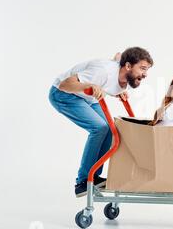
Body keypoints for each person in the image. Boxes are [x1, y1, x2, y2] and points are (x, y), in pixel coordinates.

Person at [49, 47, 154, 197]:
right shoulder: (103, 71)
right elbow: (64, 85)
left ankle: (94, 176)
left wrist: (118, 90)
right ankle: (83, 181)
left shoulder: (122, 72)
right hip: (64, 94)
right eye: (142, 68)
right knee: (99, 128)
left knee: (112, 131)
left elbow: (118, 56)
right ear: (128, 66)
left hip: (88, 98)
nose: (145, 74)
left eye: (147, 70)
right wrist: (88, 85)